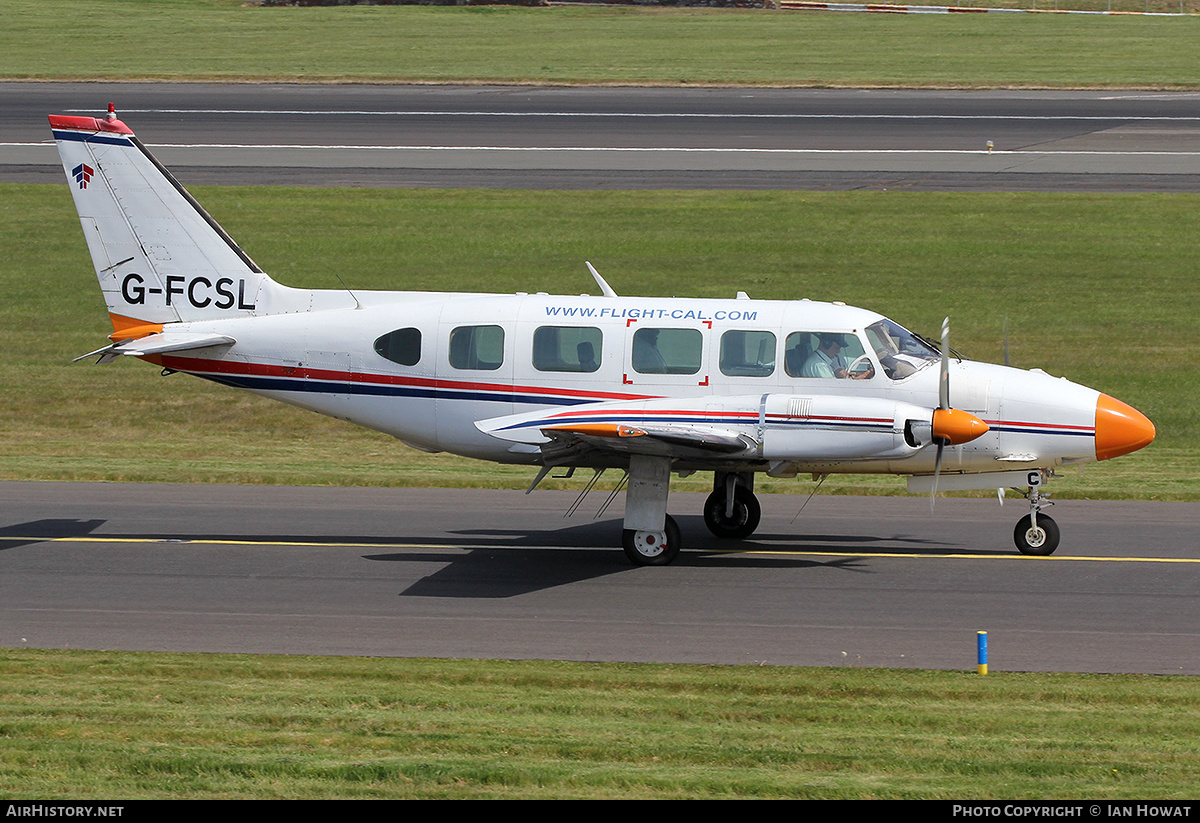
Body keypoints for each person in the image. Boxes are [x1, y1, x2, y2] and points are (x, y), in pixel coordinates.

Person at [802, 333, 872, 379]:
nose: (838, 351)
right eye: (836, 348)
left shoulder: (827, 359)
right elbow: (835, 387)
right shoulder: (818, 365)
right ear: (826, 344)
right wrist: (863, 377)